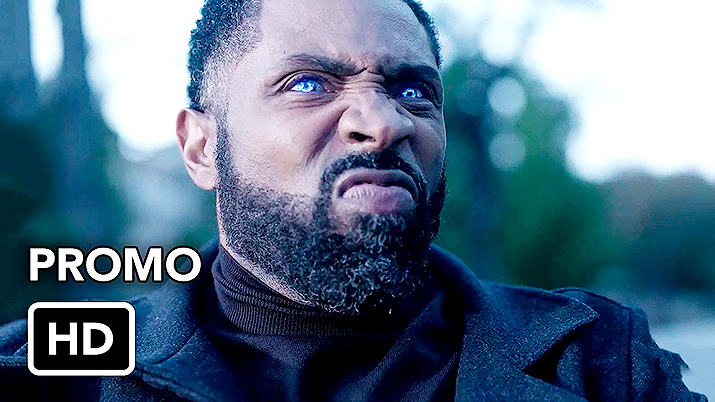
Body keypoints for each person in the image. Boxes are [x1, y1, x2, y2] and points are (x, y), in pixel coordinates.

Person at [0, 0, 707, 400]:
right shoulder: (44, 373)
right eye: (307, 84)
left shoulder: (601, 363)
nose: (383, 121)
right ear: (200, 148)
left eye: (412, 90)